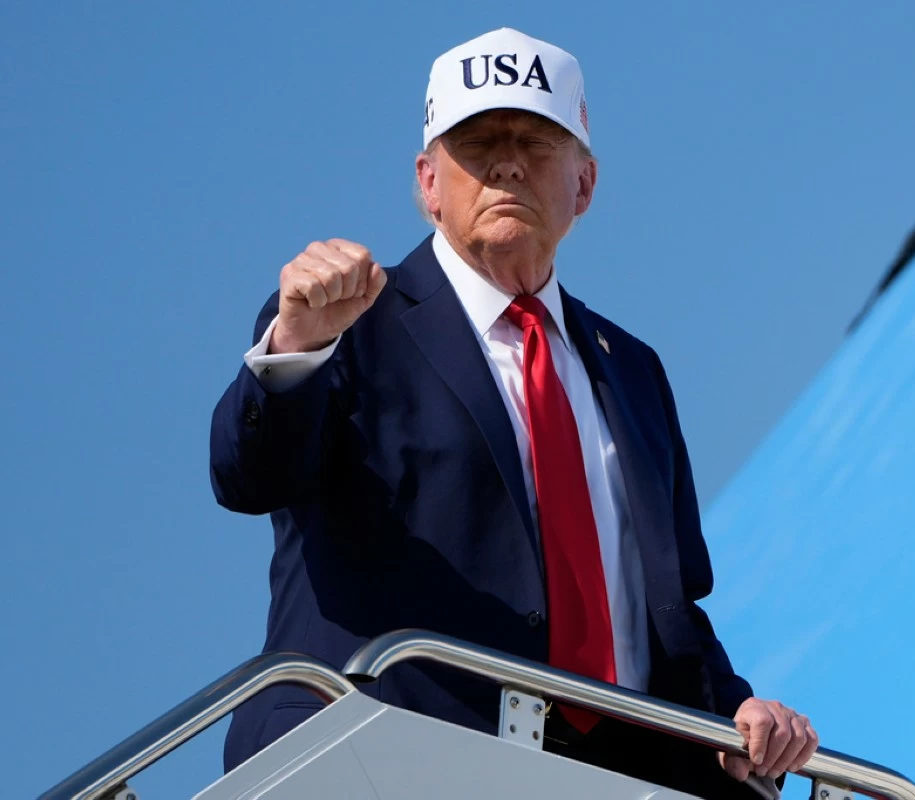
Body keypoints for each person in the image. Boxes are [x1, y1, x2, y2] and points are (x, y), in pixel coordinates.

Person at [209, 27, 817, 799]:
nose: (505, 162)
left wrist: (736, 713)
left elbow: (661, 611)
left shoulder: (632, 369)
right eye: (475, 144)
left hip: (616, 779)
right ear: (428, 181)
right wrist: (294, 342)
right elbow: (247, 473)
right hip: (387, 759)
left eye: (534, 141)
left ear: (584, 184)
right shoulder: (346, 322)